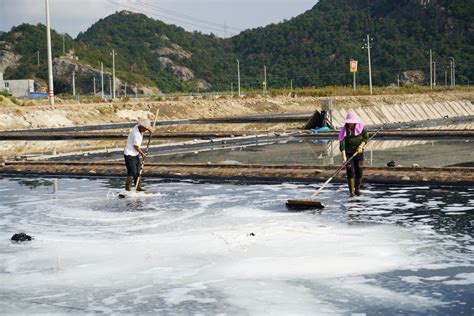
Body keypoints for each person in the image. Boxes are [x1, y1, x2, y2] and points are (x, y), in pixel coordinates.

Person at [338, 112, 369, 197]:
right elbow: (342, 144)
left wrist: (361, 146)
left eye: (352, 122)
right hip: (348, 154)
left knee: (359, 172)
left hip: (359, 153)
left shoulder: (361, 128)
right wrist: (344, 157)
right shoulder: (344, 130)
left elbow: (366, 138)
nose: (350, 124)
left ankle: (357, 189)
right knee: (350, 172)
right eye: (349, 122)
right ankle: (351, 192)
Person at [124, 120, 154, 191]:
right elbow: (136, 147)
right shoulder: (136, 133)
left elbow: (149, 129)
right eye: (145, 129)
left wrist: (150, 130)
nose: (146, 130)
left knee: (138, 171)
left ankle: (138, 187)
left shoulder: (138, 127)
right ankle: (127, 189)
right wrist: (142, 154)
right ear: (142, 127)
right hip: (129, 154)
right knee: (132, 172)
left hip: (135, 154)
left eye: (147, 129)